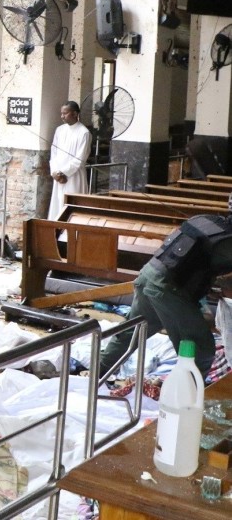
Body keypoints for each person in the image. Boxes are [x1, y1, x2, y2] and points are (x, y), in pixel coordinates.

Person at [98, 214, 232, 378]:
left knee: (132, 334)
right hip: (168, 289)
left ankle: (96, 372)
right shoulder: (228, 241)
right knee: (201, 350)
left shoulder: (204, 220)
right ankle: (186, 396)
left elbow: (195, 261)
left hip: (149, 275)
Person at [48, 100, 91, 220]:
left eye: (65, 113)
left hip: (73, 176)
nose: (62, 116)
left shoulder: (84, 133)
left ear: (75, 113)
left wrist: (64, 172)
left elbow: (80, 158)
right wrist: (55, 172)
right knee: (58, 205)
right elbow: (54, 152)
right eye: (61, 113)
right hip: (58, 176)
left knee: (72, 206)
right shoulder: (59, 130)